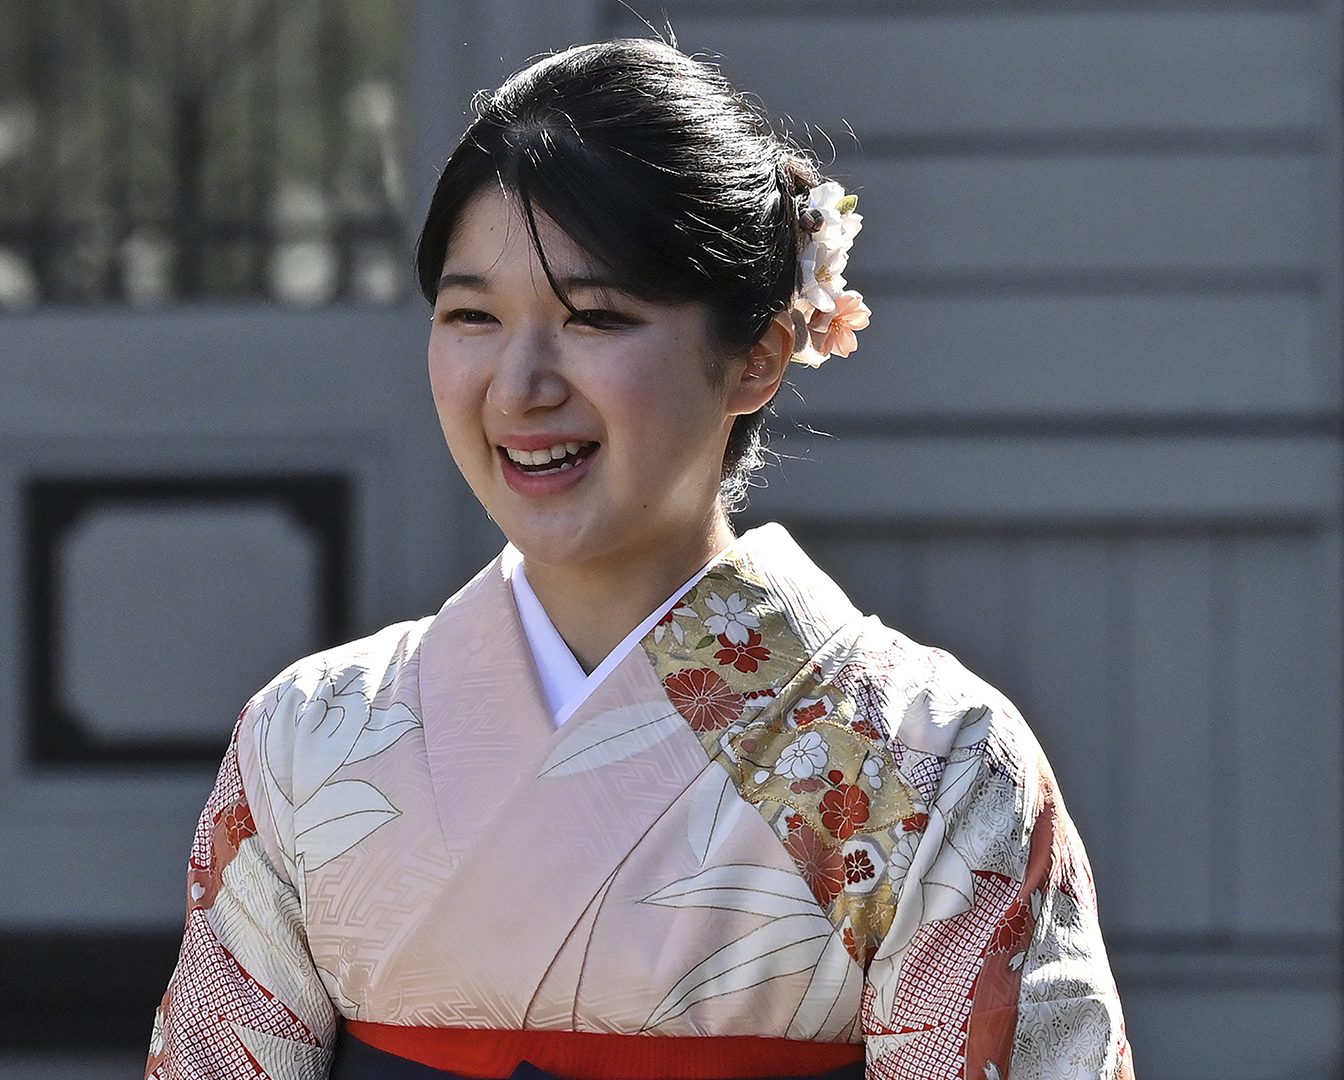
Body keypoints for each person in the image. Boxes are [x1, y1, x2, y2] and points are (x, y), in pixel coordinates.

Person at [146, 38, 1133, 1080]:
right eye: (473, 315)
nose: (520, 387)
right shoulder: (306, 741)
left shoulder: (929, 761)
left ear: (756, 355)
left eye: (597, 318)